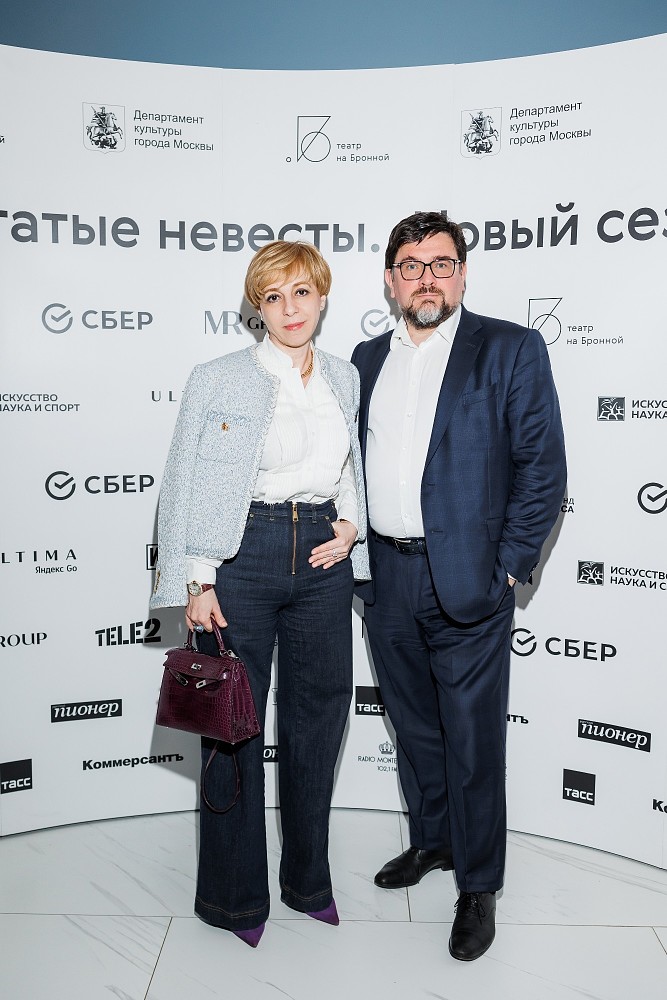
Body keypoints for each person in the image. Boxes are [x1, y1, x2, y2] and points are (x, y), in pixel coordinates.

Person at [351, 212, 566, 961]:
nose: (427, 278)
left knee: (472, 742)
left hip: (471, 580)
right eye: (411, 266)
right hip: (385, 578)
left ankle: (478, 886)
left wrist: (507, 565)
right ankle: (433, 842)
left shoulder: (509, 348)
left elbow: (542, 468)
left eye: (441, 264)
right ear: (391, 280)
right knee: (414, 730)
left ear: (463, 274)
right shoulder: (364, 359)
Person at [151, 240, 370, 947]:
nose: (289, 309)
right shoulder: (217, 377)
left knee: (317, 722)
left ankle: (308, 883)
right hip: (241, 556)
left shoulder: (342, 375)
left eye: (301, 292)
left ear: (322, 296)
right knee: (232, 727)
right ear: (257, 309)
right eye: (273, 297)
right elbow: (183, 481)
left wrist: (350, 524)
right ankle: (233, 898)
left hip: (323, 560)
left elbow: (350, 467)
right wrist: (197, 579)